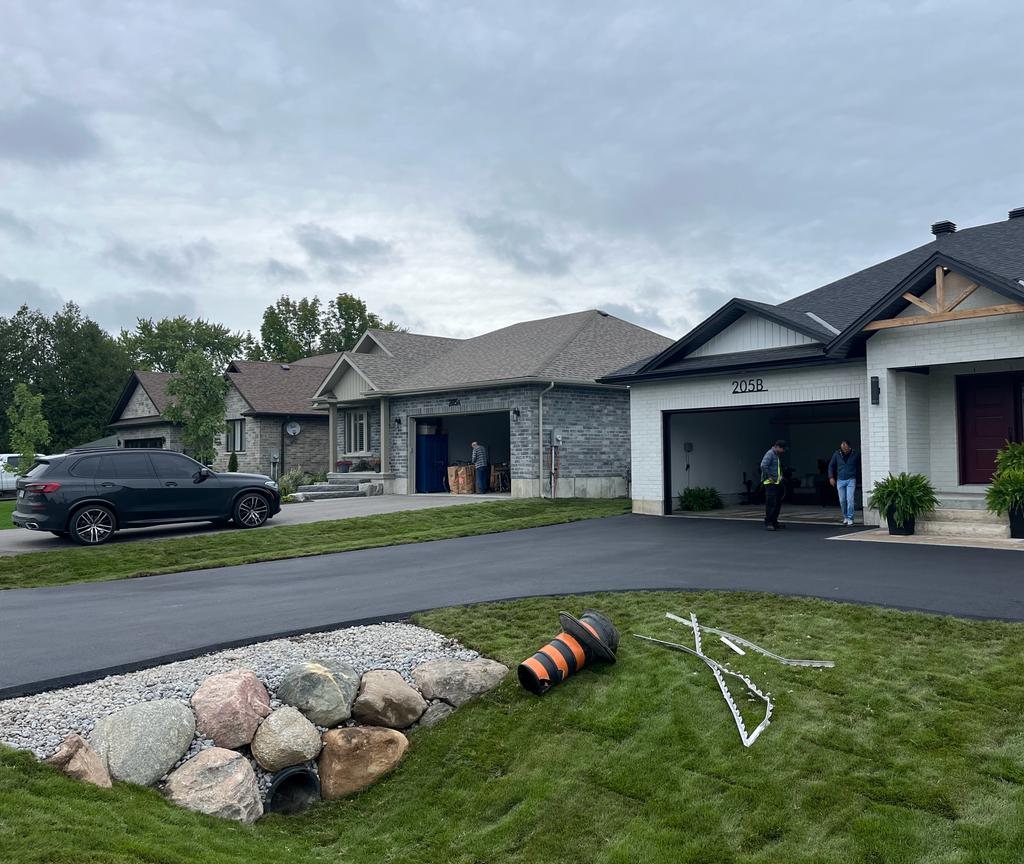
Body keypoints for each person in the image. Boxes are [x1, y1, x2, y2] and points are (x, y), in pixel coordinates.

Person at [828, 439, 861, 526]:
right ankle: (845, 516)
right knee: (842, 500)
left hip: (851, 479)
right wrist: (831, 477)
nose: (844, 450)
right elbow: (831, 465)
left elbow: (859, 466)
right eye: (843, 448)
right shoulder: (837, 454)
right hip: (840, 480)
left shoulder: (855, 454)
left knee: (850, 499)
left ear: (849, 447)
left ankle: (850, 517)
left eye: (846, 448)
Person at [760, 440, 787, 531]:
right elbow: (763, 465)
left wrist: (781, 476)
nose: (783, 451)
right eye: (782, 448)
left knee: (777, 503)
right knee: (771, 503)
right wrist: (769, 477)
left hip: (777, 482)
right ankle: (769, 522)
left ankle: (774, 521)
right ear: (777, 446)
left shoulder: (776, 455)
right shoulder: (770, 453)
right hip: (770, 483)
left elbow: (778, 468)